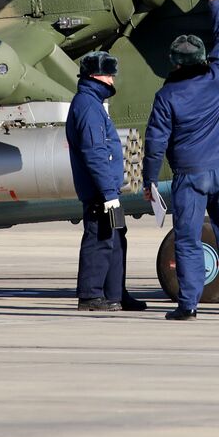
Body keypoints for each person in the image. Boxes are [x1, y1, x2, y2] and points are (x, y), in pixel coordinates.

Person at [142, 0, 219, 321]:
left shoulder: (166, 96)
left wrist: (149, 181)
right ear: (202, 58)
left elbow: (155, 142)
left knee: (187, 238)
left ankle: (189, 304)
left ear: (175, 63)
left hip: (189, 175)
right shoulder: (217, 78)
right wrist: (213, 1)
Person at [66, 51, 127, 312]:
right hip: (100, 192)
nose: (112, 80)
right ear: (95, 76)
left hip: (108, 188)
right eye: (108, 74)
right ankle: (90, 295)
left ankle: (115, 294)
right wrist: (108, 193)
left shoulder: (92, 104)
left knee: (116, 238)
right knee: (99, 239)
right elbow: (95, 152)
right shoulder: (88, 107)